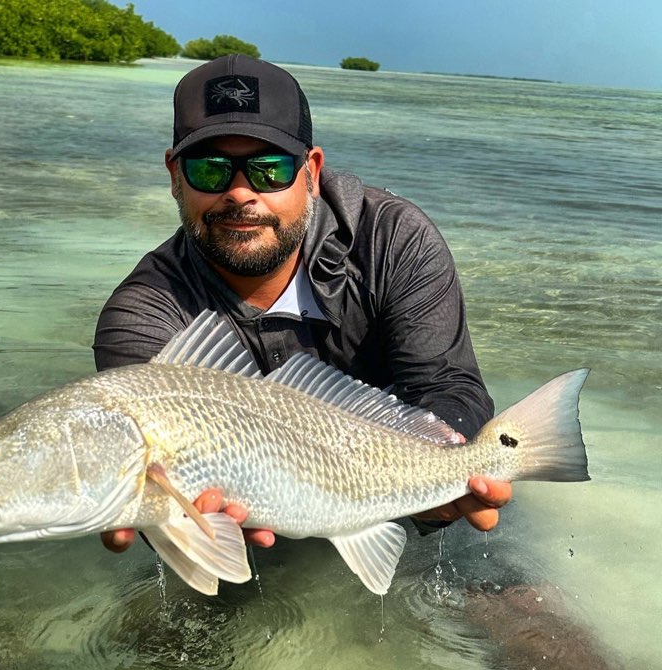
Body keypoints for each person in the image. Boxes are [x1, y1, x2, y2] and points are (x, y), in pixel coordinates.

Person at [93, 54, 512, 554]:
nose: (241, 193)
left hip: (404, 493)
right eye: (210, 170)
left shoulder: (392, 238)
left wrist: (442, 474)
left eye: (270, 169)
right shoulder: (142, 313)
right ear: (175, 174)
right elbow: (152, 480)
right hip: (250, 523)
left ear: (311, 171)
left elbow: (447, 385)